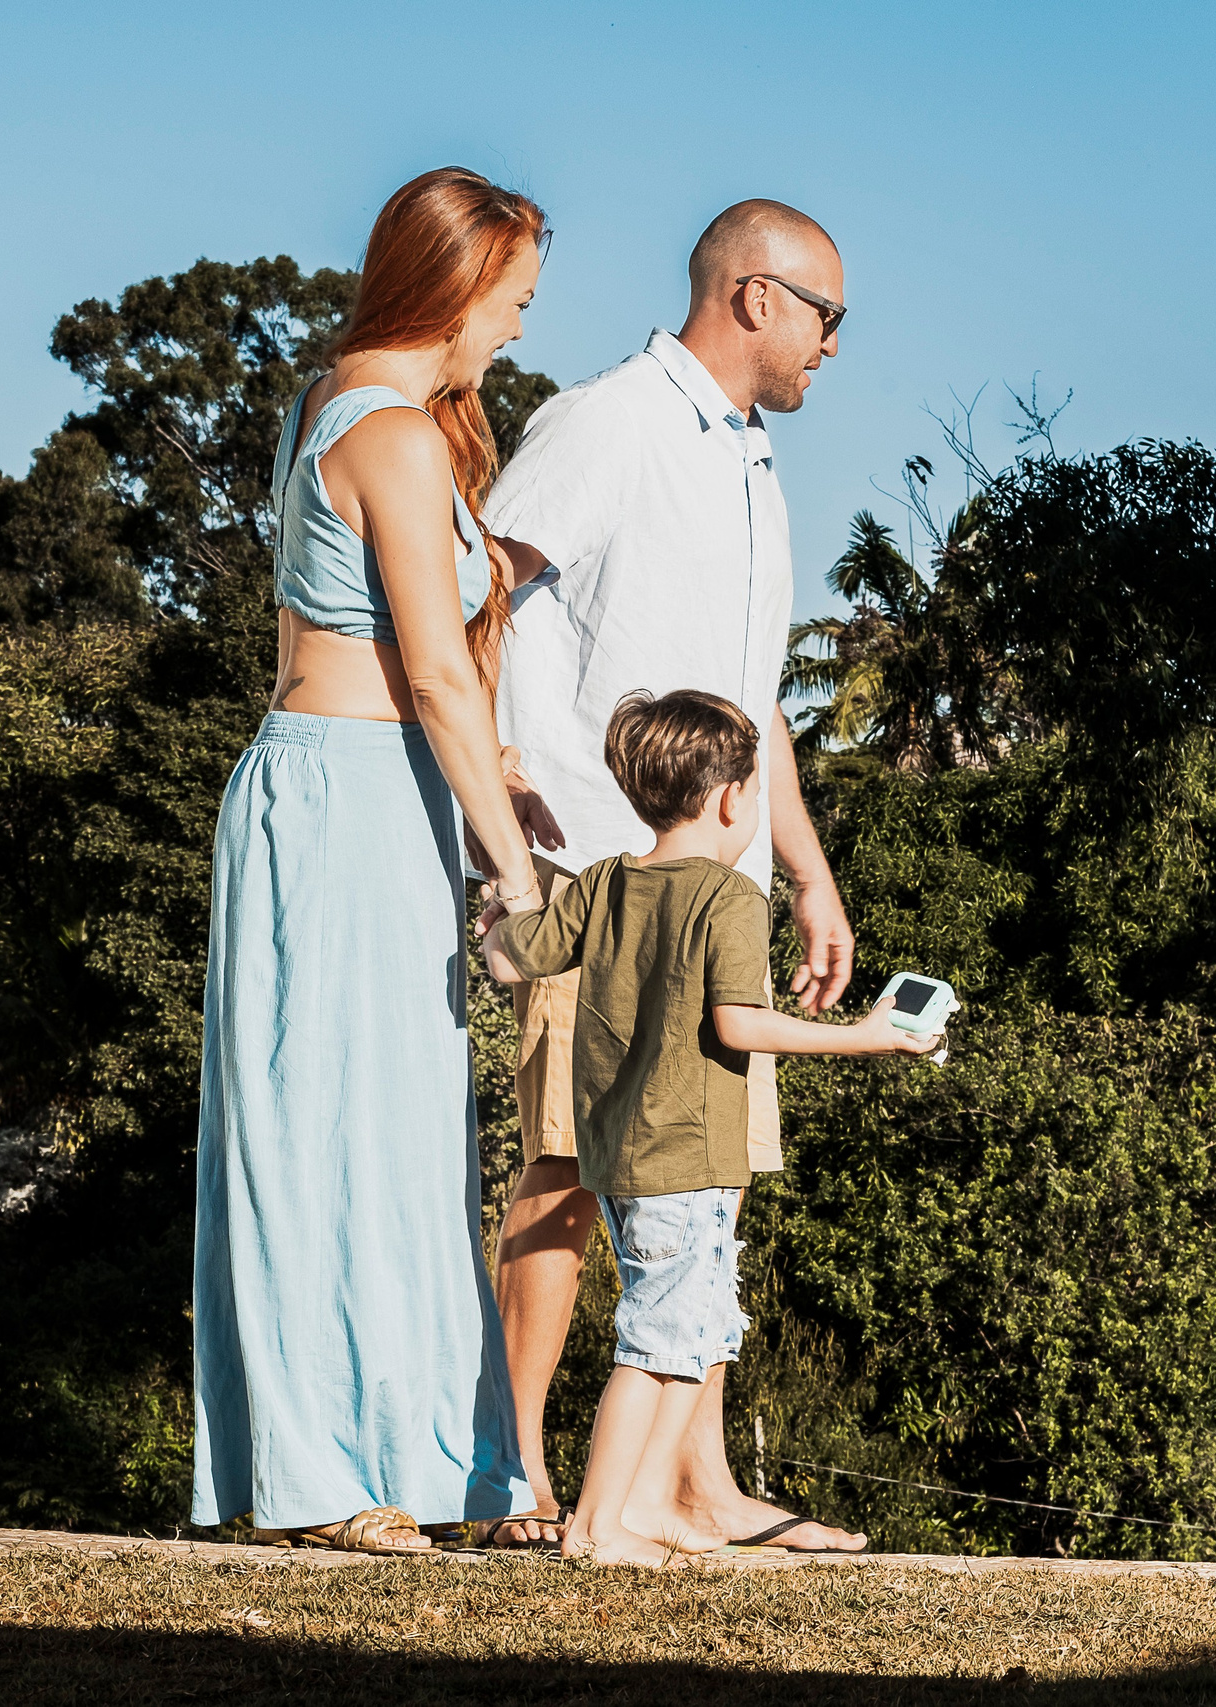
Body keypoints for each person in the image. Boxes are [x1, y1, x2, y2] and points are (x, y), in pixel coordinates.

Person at [477, 199, 865, 1552]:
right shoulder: (606, 422)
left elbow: (753, 705)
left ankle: (696, 1485)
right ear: (756, 296)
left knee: (707, 1182)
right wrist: (502, 779)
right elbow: (480, 592)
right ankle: (512, 1474)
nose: (834, 345)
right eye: (829, 316)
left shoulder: (755, 465)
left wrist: (808, 872)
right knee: (570, 1167)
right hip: (599, 875)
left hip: (730, 894)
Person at [190, 168, 556, 1553]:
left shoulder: (362, 414)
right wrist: (513, 863)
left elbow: (436, 687)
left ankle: (442, 1464)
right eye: (514, 303)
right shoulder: (388, 431)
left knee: (398, 1135)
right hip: (339, 795)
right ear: (457, 290)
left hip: (378, 788)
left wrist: (486, 784)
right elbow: (438, 680)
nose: (516, 331)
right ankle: (318, 1473)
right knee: (318, 1129)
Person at [479, 691, 939, 1566]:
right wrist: (867, 1037)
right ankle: (597, 1524)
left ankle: (640, 1508)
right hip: (687, 1161)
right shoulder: (727, 897)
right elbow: (737, 1023)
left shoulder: (609, 878)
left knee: (692, 1328)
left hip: (620, 1157)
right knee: (656, 1343)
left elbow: (508, 956)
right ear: (731, 799)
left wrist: (502, 915)